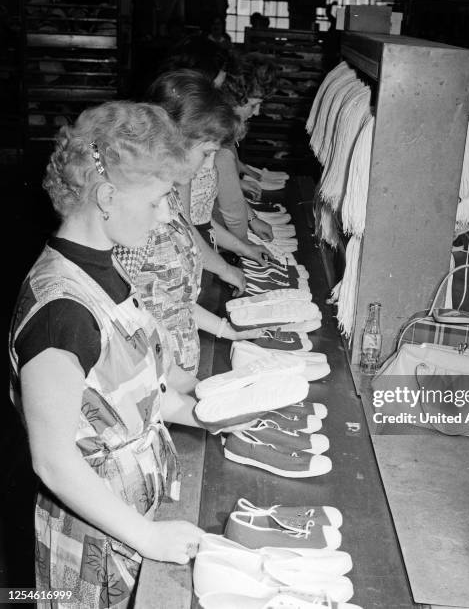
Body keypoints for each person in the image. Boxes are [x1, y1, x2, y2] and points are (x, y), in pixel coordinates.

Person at [9, 102, 206, 607]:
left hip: (134, 517)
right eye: (161, 199)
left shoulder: (108, 269)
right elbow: (53, 461)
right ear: (107, 196)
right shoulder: (62, 311)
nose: (167, 216)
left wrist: (207, 413)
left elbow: (129, 393)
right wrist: (150, 539)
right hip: (94, 534)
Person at [115, 70, 267, 375]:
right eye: (207, 153)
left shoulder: (167, 200)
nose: (205, 167)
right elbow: (128, 321)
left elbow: (173, 307)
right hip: (154, 380)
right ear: (176, 141)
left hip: (174, 375)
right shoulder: (136, 222)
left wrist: (227, 330)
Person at [215, 55, 278, 242]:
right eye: (253, 105)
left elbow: (228, 187)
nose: (257, 112)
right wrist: (243, 244)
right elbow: (227, 206)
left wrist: (251, 218)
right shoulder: (212, 136)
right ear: (234, 99)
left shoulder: (225, 128)